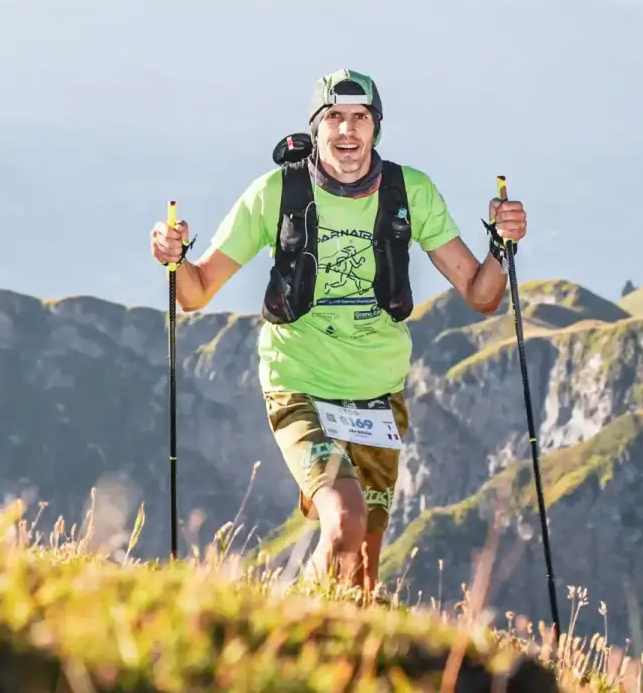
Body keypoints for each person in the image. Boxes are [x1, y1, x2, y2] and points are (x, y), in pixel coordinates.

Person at [149, 69, 526, 595]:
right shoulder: (276, 193)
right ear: (316, 127)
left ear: (376, 128)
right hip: (298, 382)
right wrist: (174, 256)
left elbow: (482, 295)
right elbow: (195, 292)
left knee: (364, 570)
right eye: (334, 118)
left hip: (378, 394)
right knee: (343, 521)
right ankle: (284, 627)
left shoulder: (408, 192)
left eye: (360, 119)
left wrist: (502, 245)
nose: (347, 131)